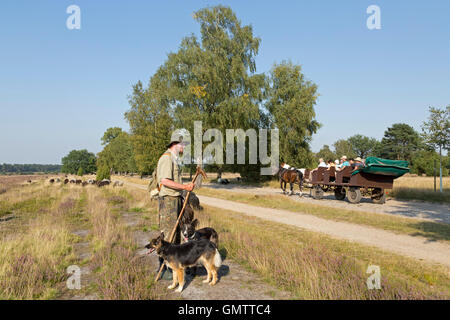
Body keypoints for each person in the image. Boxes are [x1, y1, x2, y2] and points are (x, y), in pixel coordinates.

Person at [156, 139, 194, 279]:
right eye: (183, 144)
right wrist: (184, 187)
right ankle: (165, 269)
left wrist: (183, 193)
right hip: (169, 201)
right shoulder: (166, 158)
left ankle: (176, 267)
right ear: (175, 144)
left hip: (175, 199)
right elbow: (165, 181)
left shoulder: (174, 159)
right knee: (168, 234)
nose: (184, 147)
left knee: (177, 233)